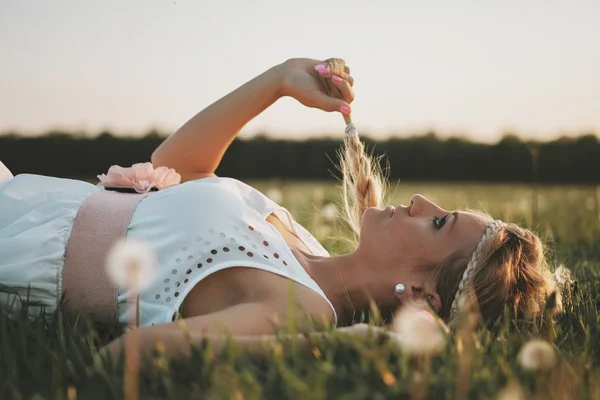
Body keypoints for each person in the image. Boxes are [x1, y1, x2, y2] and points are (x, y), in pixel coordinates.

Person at [0, 58, 557, 361]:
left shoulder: (305, 314)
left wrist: (334, 346)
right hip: (31, 199)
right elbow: (177, 166)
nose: (420, 202)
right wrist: (281, 80)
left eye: (439, 222)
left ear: (421, 295)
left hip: (17, 249)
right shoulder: (300, 244)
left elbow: (128, 354)